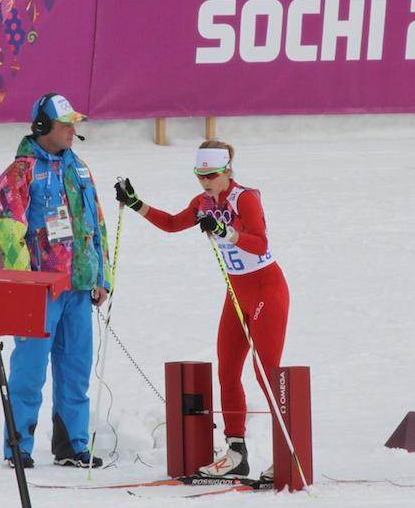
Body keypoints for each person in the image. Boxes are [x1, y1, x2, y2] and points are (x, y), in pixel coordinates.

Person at [114, 140, 289, 481]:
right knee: (227, 370)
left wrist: (226, 231)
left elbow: (260, 242)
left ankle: (286, 453)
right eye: (200, 175)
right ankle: (236, 451)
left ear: (227, 171)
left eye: (211, 175)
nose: (205, 182)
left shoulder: (245, 198)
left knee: (265, 372)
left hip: (267, 288)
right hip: (237, 291)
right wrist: (135, 203)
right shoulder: (203, 203)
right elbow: (172, 223)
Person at [0, 93, 111, 469]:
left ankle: (72, 444)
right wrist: (26, 281)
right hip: (41, 290)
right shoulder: (20, 172)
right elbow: (8, 229)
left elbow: (98, 224)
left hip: (78, 287)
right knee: (29, 370)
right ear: (43, 128)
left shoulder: (81, 169)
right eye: (65, 125)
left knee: (75, 369)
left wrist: (103, 275)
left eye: (74, 124)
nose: (72, 131)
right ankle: (18, 445)